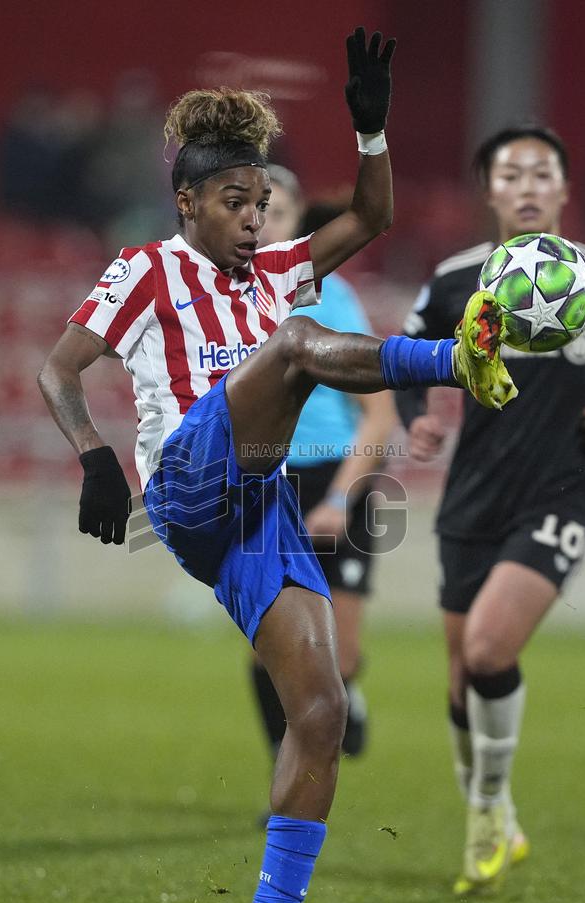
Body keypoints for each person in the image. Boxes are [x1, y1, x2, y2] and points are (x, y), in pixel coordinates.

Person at [38, 28, 517, 903]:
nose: (256, 219)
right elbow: (58, 370)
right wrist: (95, 458)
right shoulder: (145, 272)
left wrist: (370, 133)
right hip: (186, 479)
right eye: (234, 201)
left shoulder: (279, 271)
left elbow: (371, 217)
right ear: (187, 203)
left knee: (324, 707)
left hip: (255, 507)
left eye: (262, 201)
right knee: (298, 341)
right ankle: (458, 361)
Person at [396, 124, 585, 897]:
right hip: (475, 491)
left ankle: (486, 809)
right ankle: (494, 815)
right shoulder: (453, 278)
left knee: (487, 649)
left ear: (563, 190)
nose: (525, 186)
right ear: (489, 192)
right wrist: (417, 411)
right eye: (509, 174)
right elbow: (408, 358)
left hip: (568, 488)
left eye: (540, 172)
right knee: (458, 679)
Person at [248, 167, 398, 768]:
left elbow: (380, 416)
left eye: (276, 212)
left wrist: (339, 499)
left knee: (338, 656)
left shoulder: (330, 299)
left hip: (338, 478)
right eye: (253, 210)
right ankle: (288, 779)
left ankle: (347, 695)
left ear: (298, 221)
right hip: (267, 483)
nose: (262, 225)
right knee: (271, 653)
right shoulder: (225, 304)